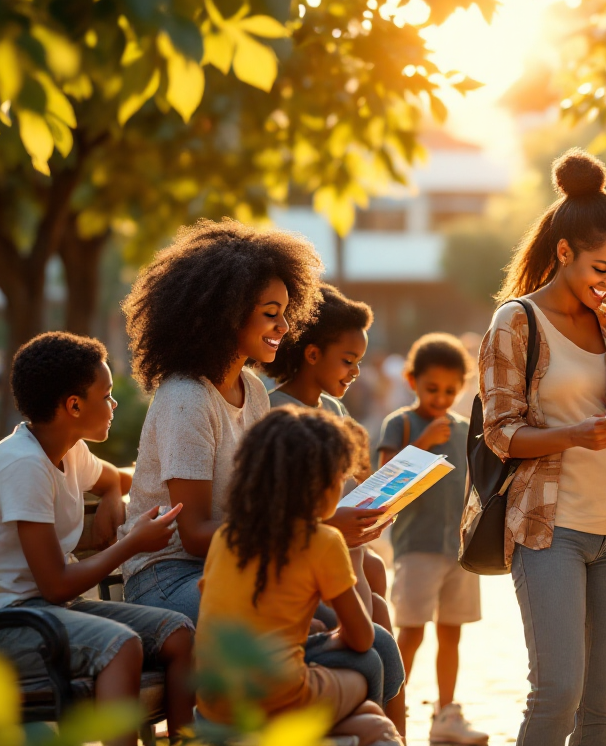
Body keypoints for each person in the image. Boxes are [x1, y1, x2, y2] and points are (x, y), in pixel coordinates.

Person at [471, 148, 606, 746]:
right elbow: (500, 432)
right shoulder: (516, 321)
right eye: (600, 269)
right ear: (564, 253)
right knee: (558, 691)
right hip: (548, 528)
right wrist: (575, 435)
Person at [0, 332, 194, 746]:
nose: (114, 405)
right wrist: (131, 543)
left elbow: (118, 477)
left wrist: (114, 492)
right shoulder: (23, 466)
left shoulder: (68, 450)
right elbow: (56, 583)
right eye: (108, 394)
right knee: (121, 646)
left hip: (43, 612)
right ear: (74, 405)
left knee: (178, 633)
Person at [118, 218, 323, 623]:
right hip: (167, 577)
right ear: (226, 315)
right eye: (270, 313)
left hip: (236, 567)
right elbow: (193, 535)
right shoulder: (187, 397)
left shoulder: (255, 390)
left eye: (285, 312)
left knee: (374, 644)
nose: (284, 326)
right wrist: (307, 532)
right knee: (307, 629)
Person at [196, 407, 402, 745]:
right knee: (371, 662)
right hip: (277, 699)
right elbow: (361, 639)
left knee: (372, 720)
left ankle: (366, 727)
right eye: (340, 478)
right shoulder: (322, 539)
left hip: (214, 704)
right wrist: (332, 637)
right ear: (322, 487)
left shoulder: (227, 536)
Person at [264, 284, 408, 736]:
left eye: (359, 362)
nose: (356, 372)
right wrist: (335, 521)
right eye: (347, 361)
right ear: (311, 354)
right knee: (374, 635)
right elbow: (275, 512)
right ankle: (378, 732)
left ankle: (395, 735)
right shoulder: (275, 416)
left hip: (351, 566)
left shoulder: (336, 410)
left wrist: (380, 502)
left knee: (381, 612)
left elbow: (354, 483)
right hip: (315, 577)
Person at [377, 333, 487, 745]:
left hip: (459, 550)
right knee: (411, 630)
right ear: (412, 381)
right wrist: (421, 444)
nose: (440, 398)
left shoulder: (464, 429)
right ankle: (392, 707)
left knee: (451, 630)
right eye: (431, 389)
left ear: (462, 387)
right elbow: (386, 484)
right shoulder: (401, 423)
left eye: (449, 390)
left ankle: (446, 711)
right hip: (417, 545)